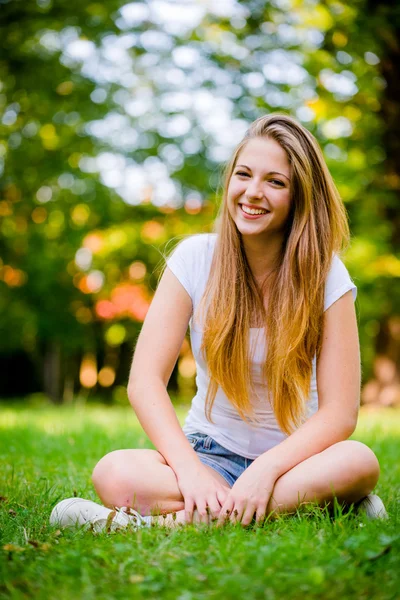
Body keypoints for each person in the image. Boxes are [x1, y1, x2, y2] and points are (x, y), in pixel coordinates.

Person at [50, 113, 387, 532]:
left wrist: (266, 472)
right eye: (243, 174)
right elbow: (144, 382)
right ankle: (317, 506)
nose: (252, 192)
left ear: (300, 197)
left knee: (357, 461)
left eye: (275, 182)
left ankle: (162, 526)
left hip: (295, 461)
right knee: (114, 472)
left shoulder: (326, 275)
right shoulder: (194, 259)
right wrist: (190, 472)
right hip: (210, 454)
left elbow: (339, 414)